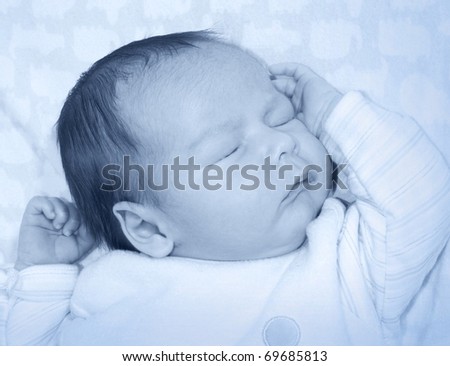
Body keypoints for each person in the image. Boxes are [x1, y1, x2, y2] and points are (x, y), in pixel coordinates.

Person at [2, 31, 449, 345]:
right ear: (150, 229)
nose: (281, 143)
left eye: (281, 116)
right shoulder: (106, 286)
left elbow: (421, 194)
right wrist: (44, 275)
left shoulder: (344, 256)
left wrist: (333, 112)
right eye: (229, 152)